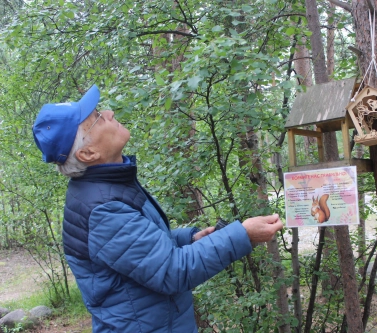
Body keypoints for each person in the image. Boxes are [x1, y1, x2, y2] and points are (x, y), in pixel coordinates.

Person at [32, 85, 283, 333]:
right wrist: (244, 235)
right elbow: (171, 271)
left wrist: (190, 238)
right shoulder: (102, 208)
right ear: (88, 153)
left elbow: (141, 250)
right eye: (96, 118)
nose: (108, 113)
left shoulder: (107, 187)